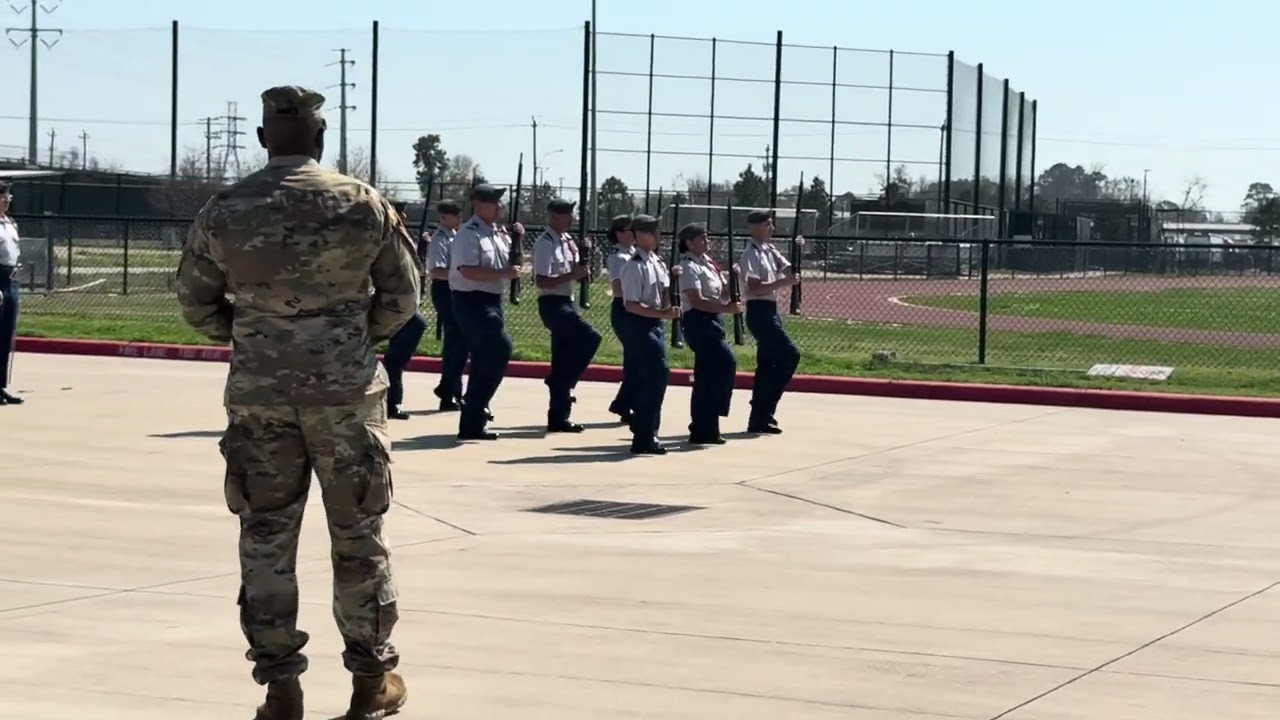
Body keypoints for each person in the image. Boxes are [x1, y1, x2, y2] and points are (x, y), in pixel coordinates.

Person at [175, 85, 418, 720]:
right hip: (344, 396)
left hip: (260, 397)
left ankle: (281, 687)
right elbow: (403, 296)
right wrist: (354, 337)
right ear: (319, 138)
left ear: (262, 139)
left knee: (265, 537)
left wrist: (256, 337)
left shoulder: (225, 210)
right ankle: (371, 681)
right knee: (359, 537)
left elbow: (196, 303)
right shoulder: (361, 203)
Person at [449, 183, 522, 441]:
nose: (499, 207)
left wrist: (518, 240)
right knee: (500, 346)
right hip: (470, 302)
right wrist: (504, 273)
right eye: (494, 202)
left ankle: (473, 419)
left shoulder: (497, 233)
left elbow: (510, 263)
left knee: (485, 359)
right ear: (479, 205)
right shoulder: (469, 234)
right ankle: (475, 407)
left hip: (492, 301)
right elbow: (467, 270)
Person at [532, 198, 601, 432]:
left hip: (567, 301)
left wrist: (585, 262)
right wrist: (572, 275)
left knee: (561, 358)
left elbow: (577, 272)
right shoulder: (545, 243)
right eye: (566, 215)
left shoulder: (569, 241)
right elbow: (542, 280)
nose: (572, 219)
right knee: (590, 336)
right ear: (553, 217)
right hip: (552, 303)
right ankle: (561, 382)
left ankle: (558, 417)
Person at [619, 214, 679, 455]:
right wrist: (661, 313)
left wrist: (671, 291)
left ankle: (649, 431)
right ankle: (643, 435)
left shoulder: (656, 261)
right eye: (653, 231)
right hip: (639, 325)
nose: (658, 235)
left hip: (655, 324)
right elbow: (631, 304)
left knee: (657, 377)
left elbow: (663, 294)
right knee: (654, 376)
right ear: (641, 235)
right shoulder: (633, 265)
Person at [677, 222, 742, 444]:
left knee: (707, 376)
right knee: (725, 362)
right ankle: (709, 418)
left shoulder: (708, 263)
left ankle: (705, 427)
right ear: (689, 242)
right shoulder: (688, 266)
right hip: (698, 321)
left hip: (713, 320)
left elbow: (721, 292)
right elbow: (697, 301)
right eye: (702, 238)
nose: (707, 241)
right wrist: (726, 308)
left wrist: (733, 280)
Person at [738, 209, 801, 434]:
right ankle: (765, 406)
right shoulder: (751, 254)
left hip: (771, 310)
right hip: (759, 311)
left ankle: (761, 416)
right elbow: (754, 287)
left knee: (767, 365)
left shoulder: (768, 250)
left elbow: (787, 268)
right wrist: (784, 282)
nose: (772, 229)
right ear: (755, 227)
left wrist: (797, 251)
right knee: (789, 355)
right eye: (768, 225)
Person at [423, 198, 469, 412]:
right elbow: (436, 271)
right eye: (455, 214)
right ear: (444, 217)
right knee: (456, 341)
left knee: (459, 343)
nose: (459, 218)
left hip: (456, 290)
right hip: (444, 290)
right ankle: (448, 391)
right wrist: (460, 272)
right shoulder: (439, 239)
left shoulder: (455, 237)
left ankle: (449, 389)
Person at [384, 201, 429, 420]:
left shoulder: (401, 236)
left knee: (398, 356)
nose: (402, 218)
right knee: (395, 357)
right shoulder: (385, 235)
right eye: (398, 213)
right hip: (386, 299)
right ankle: (390, 400)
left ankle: (392, 400)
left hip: (401, 300)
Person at [604, 213, 635, 423]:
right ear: (619, 234)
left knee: (637, 359)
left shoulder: (636, 254)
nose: (634, 234)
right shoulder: (618, 258)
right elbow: (617, 289)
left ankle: (624, 403)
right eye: (629, 230)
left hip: (638, 308)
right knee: (635, 358)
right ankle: (624, 404)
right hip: (625, 309)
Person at [0, 180, 22, 406]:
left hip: (11, 278)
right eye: (4, 196)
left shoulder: (10, 223)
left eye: (9, 196)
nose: (7, 200)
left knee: (6, 337)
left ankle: (1, 386)